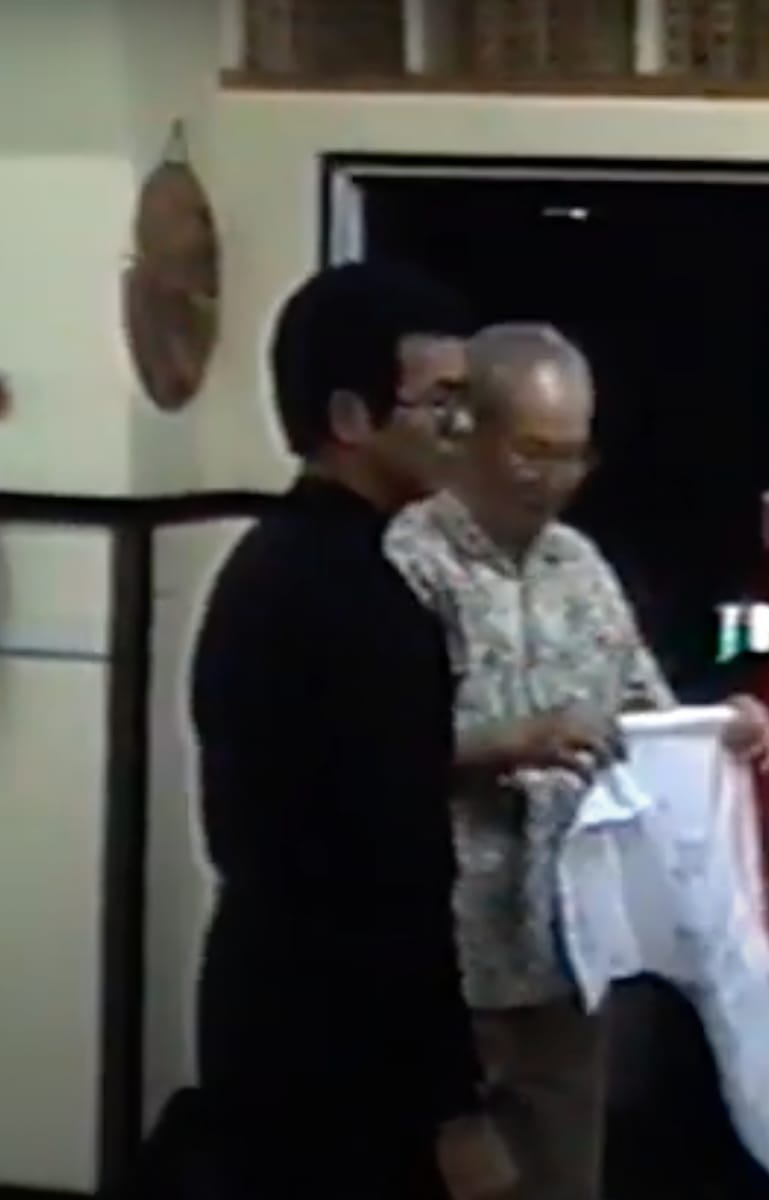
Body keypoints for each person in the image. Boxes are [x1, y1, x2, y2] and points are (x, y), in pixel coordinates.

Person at [384, 323, 769, 1200]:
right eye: (532, 453)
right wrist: (511, 743)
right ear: (470, 431)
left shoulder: (581, 565)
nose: (554, 480)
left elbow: (644, 721)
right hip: (445, 970)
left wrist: (725, 728)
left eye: (573, 456)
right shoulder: (404, 562)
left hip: (569, 958)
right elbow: (363, 760)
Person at [185, 262, 514, 1200]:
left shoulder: (271, 561)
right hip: (335, 1031)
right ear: (350, 417)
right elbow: (389, 872)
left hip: (266, 993)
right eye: (440, 403)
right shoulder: (350, 596)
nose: (461, 431)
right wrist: (454, 1107)